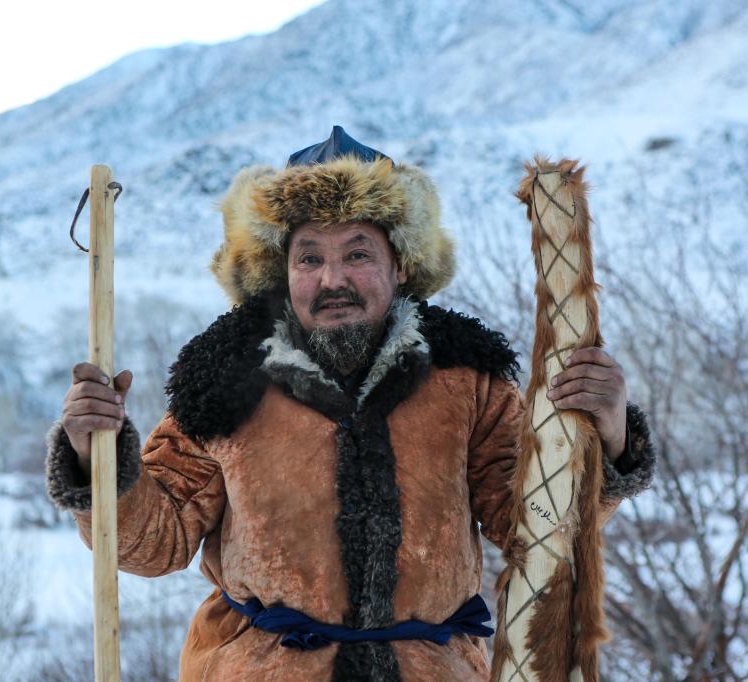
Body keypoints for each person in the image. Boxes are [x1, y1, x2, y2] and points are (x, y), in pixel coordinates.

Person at [46, 126, 656, 681]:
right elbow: (154, 543)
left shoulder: (468, 380)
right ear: (282, 272)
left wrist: (607, 439)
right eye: (309, 257)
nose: (331, 279)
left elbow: (534, 528)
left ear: (400, 265)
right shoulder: (222, 381)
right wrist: (95, 457)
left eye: (357, 254)